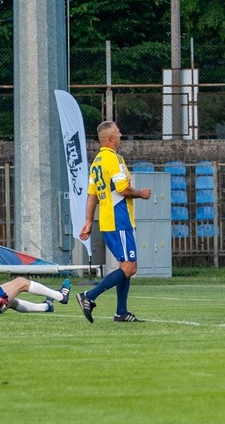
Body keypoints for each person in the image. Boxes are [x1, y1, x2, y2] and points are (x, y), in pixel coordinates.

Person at [77, 121, 151, 322]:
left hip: (107, 222)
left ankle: (121, 312)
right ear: (110, 138)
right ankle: (88, 296)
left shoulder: (97, 161)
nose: (120, 135)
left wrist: (88, 221)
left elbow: (92, 195)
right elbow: (122, 189)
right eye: (118, 133)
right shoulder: (114, 159)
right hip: (119, 220)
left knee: (124, 266)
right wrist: (141, 194)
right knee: (130, 268)